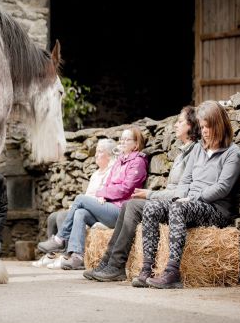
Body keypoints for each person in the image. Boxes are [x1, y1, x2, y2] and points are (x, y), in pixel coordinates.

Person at [134, 100, 240, 289]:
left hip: (215, 210)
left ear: (219, 125)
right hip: (189, 205)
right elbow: (185, 180)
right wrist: (181, 197)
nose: (205, 131)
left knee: (178, 207)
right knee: (152, 208)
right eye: (202, 127)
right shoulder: (199, 149)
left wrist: (191, 199)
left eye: (208, 126)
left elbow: (223, 187)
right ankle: (146, 270)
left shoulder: (233, 153)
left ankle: (172, 272)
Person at [84, 106, 201, 282]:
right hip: (166, 200)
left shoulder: (195, 152)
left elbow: (182, 192)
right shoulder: (181, 153)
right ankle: (107, 262)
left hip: (178, 204)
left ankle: (116, 265)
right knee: (128, 205)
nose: (175, 125)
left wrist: (151, 194)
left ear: (191, 125)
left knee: (130, 205)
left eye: (180, 121)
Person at [38, 127, 148, 270]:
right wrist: (103, 194)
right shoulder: (119, 161)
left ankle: (60, 239)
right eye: (121, 138)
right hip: (109, 206)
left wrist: (104, 194)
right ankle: (77, 257)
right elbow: (107, 183)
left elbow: (126, 188)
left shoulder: (138, 162)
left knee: (80, 199)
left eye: (127, 139)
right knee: (80, 213)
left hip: (121, 210)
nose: (122, 141)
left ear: (136, 144)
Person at [32, 138, 116, 268]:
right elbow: (89, 195)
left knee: (62, 216)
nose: (95, 154)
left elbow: (105, 196)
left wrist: (83, 202)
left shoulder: (112, 171)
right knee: (52, 217)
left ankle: (64, 252)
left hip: (100, 210)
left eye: (99, 151)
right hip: (90, 206)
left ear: (109, 155)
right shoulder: (95, 174)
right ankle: (52, 253)